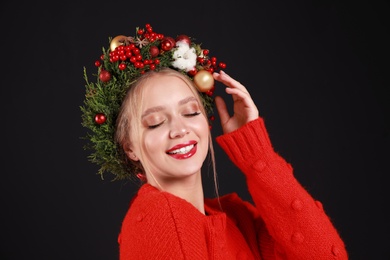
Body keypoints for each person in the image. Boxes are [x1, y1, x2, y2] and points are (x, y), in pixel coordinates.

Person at [81, 23, 348, 259]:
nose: (180, 129)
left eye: (190, 112)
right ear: (129, 148)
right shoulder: (159, 216)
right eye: (156, 122)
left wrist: (257, 154)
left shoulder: (237, 219)